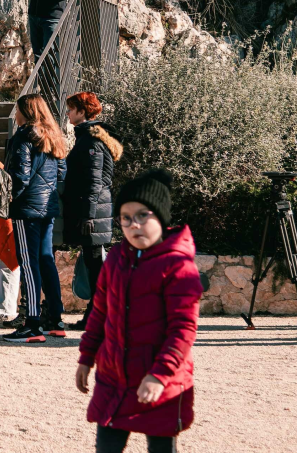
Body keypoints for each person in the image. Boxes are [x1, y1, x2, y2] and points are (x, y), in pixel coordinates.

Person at [76, 169, 202, 453]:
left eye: (143, 215)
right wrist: (86, 357)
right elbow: (99, 313)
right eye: (126, 218)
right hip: (114, 377)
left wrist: (160, 374)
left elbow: (183, 329)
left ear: (161, 216)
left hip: (161, 380)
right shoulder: (116, 258)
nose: (134, 225)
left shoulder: (178, 266)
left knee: (160, 448)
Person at [3, 93, 68, 344]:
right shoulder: (52, 135)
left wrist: (9, 200)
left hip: (27, 208)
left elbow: (20, 176)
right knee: (46, 260)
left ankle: (32, 323)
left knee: (29, 264)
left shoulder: (24, 136)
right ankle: (55, 319)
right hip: (48, 207)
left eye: (17, 110)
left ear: (26, 112)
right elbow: (61, 173)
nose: (15, 115)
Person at [62, 91, 124, 331]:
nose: (68, 113)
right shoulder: (88, 138)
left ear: (82, 111)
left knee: (95, 264)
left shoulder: (91, 141)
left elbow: (94, 182)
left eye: (71, 109)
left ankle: (100, 317)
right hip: (94, 210)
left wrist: (88, 215)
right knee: (93, 263)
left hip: (94, 212)